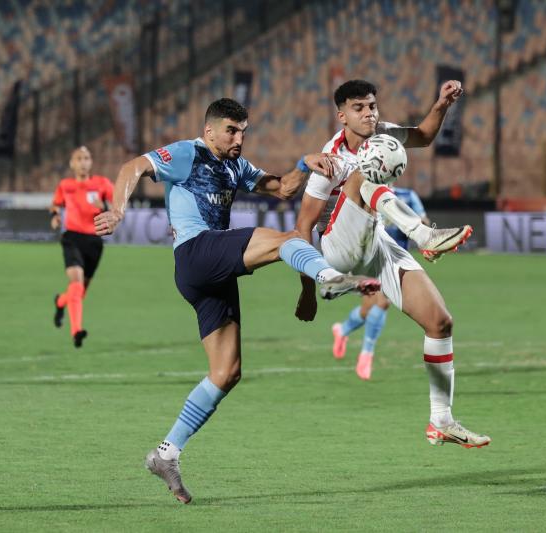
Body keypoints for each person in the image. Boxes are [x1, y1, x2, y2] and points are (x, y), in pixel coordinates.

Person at [93, 98, 379, 504]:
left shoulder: (236, 166)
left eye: (243, 131)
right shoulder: (187, 153)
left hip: (212, 275)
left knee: (226, 372)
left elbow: (283, 188)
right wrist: (118, 211)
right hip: (196, 251)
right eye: (231, 131)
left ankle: (166, 453)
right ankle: (329, 278)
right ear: (209, 130)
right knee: (287, 239)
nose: (239, 139)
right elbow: (132, 167)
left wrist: (304, 164)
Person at [294, 80, 490, 449]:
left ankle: (442, 421)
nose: (368, 113)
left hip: (375, 241)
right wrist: (309, 287)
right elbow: (303, 226)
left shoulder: (383, 133)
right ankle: (424, 235)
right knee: (363, 173)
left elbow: (424, 136)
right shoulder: (330, 157)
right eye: (358, 108)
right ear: (342, 116)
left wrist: (441, 104)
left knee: (440, 322)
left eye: (371, 106)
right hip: (337, 248)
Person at [331, 185, 430, 380]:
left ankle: (342, 330)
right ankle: (366, 354)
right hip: (368, 257)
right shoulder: (366, 191)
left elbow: (423, 221)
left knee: (369, 308)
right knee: (381, 303)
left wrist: (418, 225)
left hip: (395, 260)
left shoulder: (408, 196)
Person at [50, 146, 114, 348]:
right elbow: (55, 204)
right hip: (72, 238)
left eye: (86, 158)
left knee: (79, 292)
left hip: (94, 242)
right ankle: (76, 331)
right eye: (79, 158)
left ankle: (60, 302)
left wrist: (105, 207)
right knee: (76, 282)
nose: (83, 162)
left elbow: (117, 207)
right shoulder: (65, 185)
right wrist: (55, 216)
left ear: (91, 162)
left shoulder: (102, 184)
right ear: (72, 163)